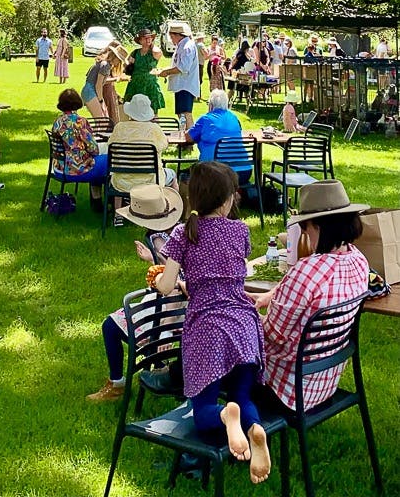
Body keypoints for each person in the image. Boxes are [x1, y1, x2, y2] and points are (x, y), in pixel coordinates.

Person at [154, 161, 269, 483]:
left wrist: (164, 281)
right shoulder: (241, 231)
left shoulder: (183, 233)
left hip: (208, 329)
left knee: (203, 408)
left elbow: (166, 285)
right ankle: (254, 428)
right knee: (242, 398)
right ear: (226, 199)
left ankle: (223, 417)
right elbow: (228, 274)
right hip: (244, 324)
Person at [257, 181, 371, 417]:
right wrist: (273, 295)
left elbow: (271, 336)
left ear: (319, 227)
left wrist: (243, 316)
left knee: (217, 349)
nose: (306, 235)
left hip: (285, 390)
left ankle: (201, 435)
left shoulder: (306, 270)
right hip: (324, 383)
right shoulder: (359, 260)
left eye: (306, 228)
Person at [89, 186, 185, 402]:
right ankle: (161, 368)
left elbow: (171, 284)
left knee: (110, 326)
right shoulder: (184, 229)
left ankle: (119, 384)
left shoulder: (159, 238)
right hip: (185, 301)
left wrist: (165, 332)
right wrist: (152, 262)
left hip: (175, 303)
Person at [106, 94, 172, 192]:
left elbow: (110, 146)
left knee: (117, 182)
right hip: (151, 181)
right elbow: (164, 145)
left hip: (122, 181)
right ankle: (174, 205)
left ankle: (118, 207)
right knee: (173, 176)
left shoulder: (119, 128)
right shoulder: (154, 129)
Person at [50, 87, 109, 196]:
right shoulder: (79, 122)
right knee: (108, 160)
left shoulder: (57, 122)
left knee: (97, 163)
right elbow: (93, 149)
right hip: (77, 170)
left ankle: (96, 200)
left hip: (59, 168)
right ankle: (106, 200)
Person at [188, 89, 249, 177]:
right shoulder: (234, 118)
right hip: (244, 170)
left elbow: (189, 137)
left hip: (216, 173)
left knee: (188, 174)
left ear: (211, 105)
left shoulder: (205, 119)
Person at [162, 20, 203, 131]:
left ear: (178, 35)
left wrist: (166, 72)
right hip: (182, 85)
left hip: (186, 85)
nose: (171, 39)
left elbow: (183, 68)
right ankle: (184, 138)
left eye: (171, 36)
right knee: (182, 114)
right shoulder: (183, 45)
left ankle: (189, 140)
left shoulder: (187, 47)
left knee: (185, 114)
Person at [125, 29, 166, 115]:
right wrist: (127, 64)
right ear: (140, 40)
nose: (148, 40)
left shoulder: (154, 52)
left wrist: (151, 45)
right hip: (135, 84)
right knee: (134, 111)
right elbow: (127, 64)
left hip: (150, 85)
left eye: (150, 38)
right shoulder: (135, 52)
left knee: (153, 111)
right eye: (145, 38)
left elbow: (158, 52)